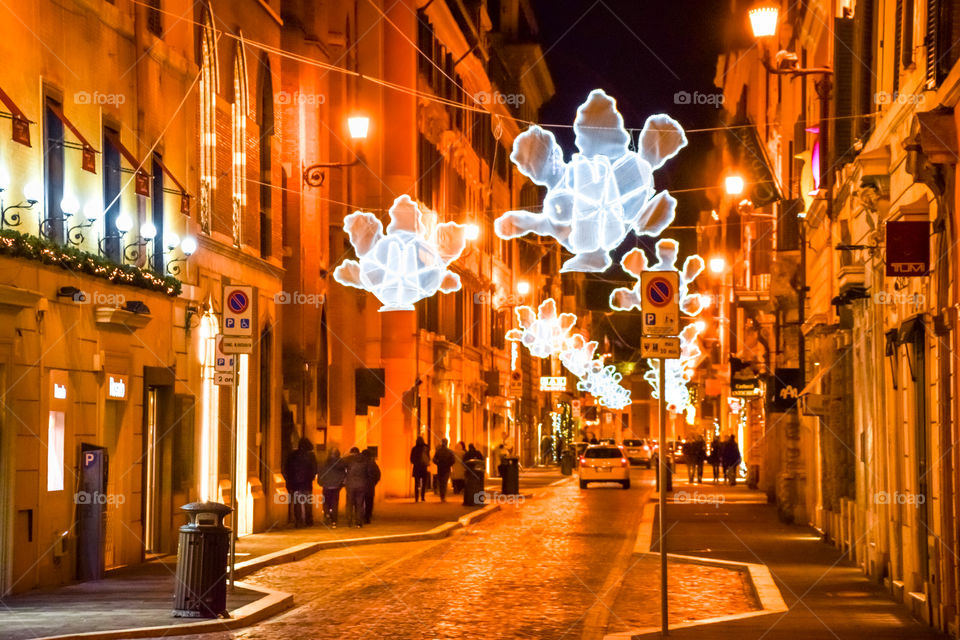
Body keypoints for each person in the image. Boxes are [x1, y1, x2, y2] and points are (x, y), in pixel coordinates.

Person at [282, 437, 317, 528]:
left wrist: (290, 479)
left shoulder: (293, 455)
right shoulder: (311, 456)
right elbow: (314, 469)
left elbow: (287, 467)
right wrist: (311, 477)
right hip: (306, 483)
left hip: (295, 483)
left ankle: (298, 521)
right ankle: (308, 521)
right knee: (307, 502)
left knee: (297, 503)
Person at [342, 446, 369, 528]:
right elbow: (368, 473)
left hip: (350, 485)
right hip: (361, 485)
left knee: (349, 503)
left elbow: (341, 465)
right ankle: (358, 522)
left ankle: (349, 521)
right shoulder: (365, 460)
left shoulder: (348, 460)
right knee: (359, 504)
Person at [318, 448, 345, 527]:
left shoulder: (324, 463)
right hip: (336, 486)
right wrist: (341, 484)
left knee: (326, 502)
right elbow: (343, 475)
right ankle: (334, 521)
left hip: (326, 486)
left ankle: (327, 514)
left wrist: (321, 483)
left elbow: (321, 473)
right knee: (334, 503)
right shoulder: (341, 463)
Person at [363, 448, 381, 524]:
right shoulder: (373, 464)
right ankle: (368, 517)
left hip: (361, 485)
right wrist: (374, 483)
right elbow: (378, 475)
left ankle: (359, 516)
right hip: (370, 486)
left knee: (359, 502)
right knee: (369, 502)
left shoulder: (360, 463)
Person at [410, 436, 430, 502]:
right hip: (424, 467)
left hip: (417, 467)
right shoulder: (425, 448)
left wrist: (416, 462)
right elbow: (428, 457)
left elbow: (411, 459)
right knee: (424, 483)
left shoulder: (414, 449)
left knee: (416, 483)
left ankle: (416, 498)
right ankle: (422, 497)